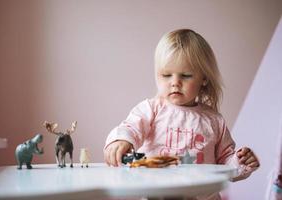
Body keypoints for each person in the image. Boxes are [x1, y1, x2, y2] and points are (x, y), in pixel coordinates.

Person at [103, 29, 260, 199]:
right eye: (166, 75)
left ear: (204, 78)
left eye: (185, 76)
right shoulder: (151, 109)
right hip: (158, 196)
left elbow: (226, 164)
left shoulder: (214, 121)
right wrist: (121, 140)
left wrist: (240, 162)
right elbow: (130, 128)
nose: (175, 83)